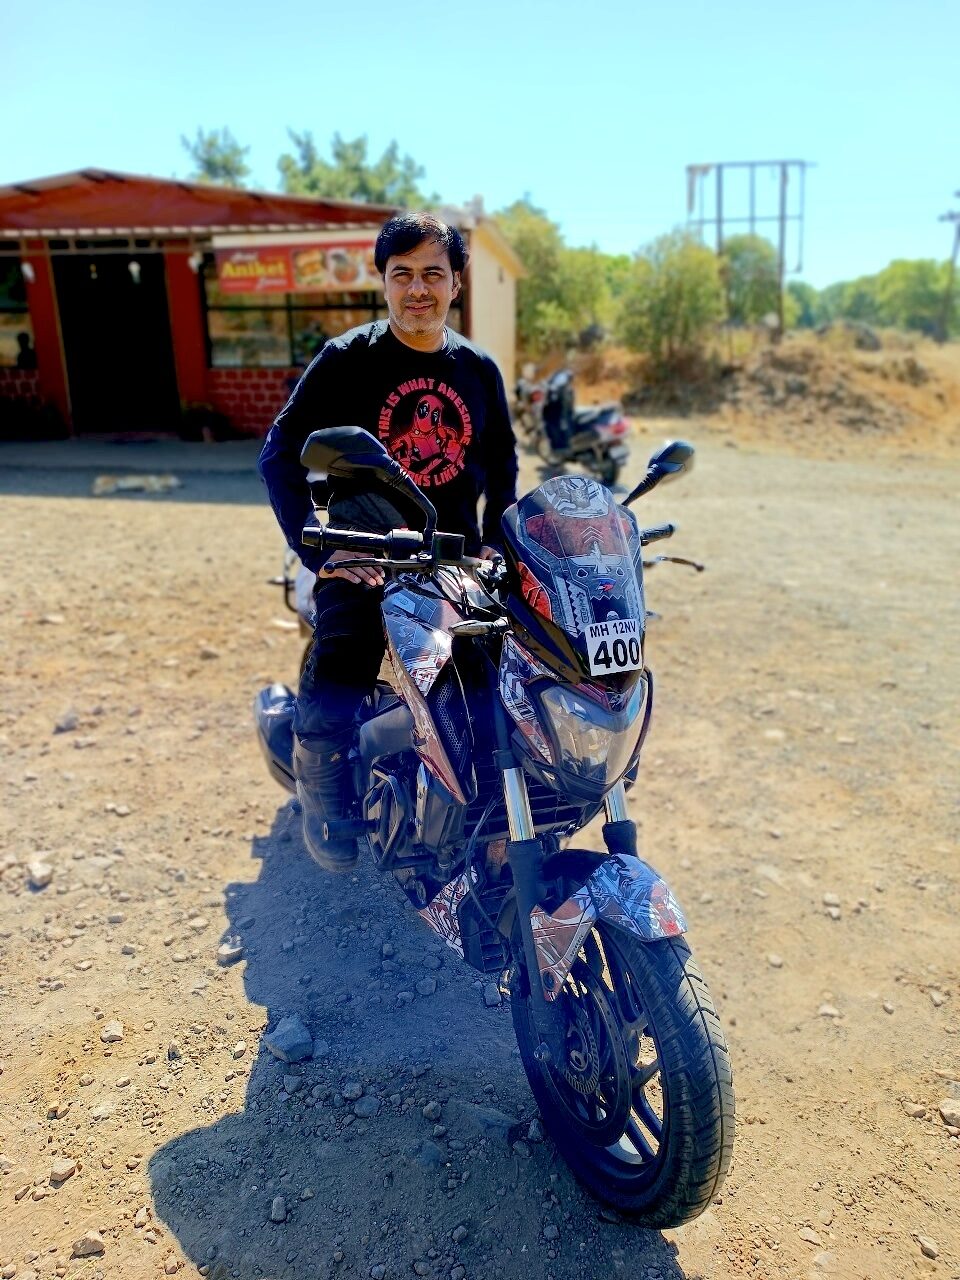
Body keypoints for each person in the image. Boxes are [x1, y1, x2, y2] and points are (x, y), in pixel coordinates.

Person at [258, 212, 518, 872]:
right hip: (369, 554)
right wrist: (322, 553)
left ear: (456, 282)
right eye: (402, 275)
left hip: (454, 560)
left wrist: (497, 541)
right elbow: (279, 453)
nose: (418, 290)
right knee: (345, 650)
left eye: (433, 273)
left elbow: (505, 465)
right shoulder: (348, 359)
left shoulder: (479, 370)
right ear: (383, 283)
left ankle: (494, 809)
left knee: (504, 668)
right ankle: (329, 805)